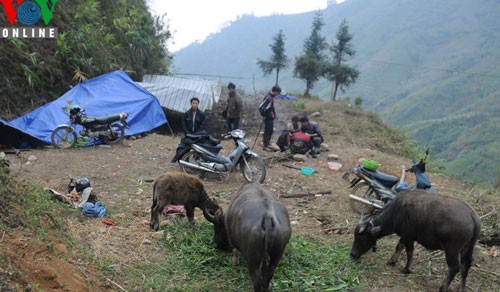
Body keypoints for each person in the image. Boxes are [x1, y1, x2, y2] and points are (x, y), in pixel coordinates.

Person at [171, 97, 206, 162]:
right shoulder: (186, 114)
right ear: (191, 104)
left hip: (197, 135)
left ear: (198, 104)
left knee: (198, 149)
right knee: (184, 147)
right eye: (193, 103)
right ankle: (185, 161)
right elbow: (184, 124)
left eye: (196, 103)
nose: (195, 104)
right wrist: (187, 133)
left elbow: (202, 125)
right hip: (188, 134)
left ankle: (196, 161)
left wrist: (197, 134)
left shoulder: (202, 114)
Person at [261, 86, 281, 152]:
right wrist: (264, 115)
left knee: (270, 131)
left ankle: (266, 144)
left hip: (270, 117)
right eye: (278, 93)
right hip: (268, 118)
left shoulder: (270, 97)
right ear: (275, 91)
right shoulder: (269, 98)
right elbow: (261, 107)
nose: (277, 95)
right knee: (268, 131)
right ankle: (265, 146)